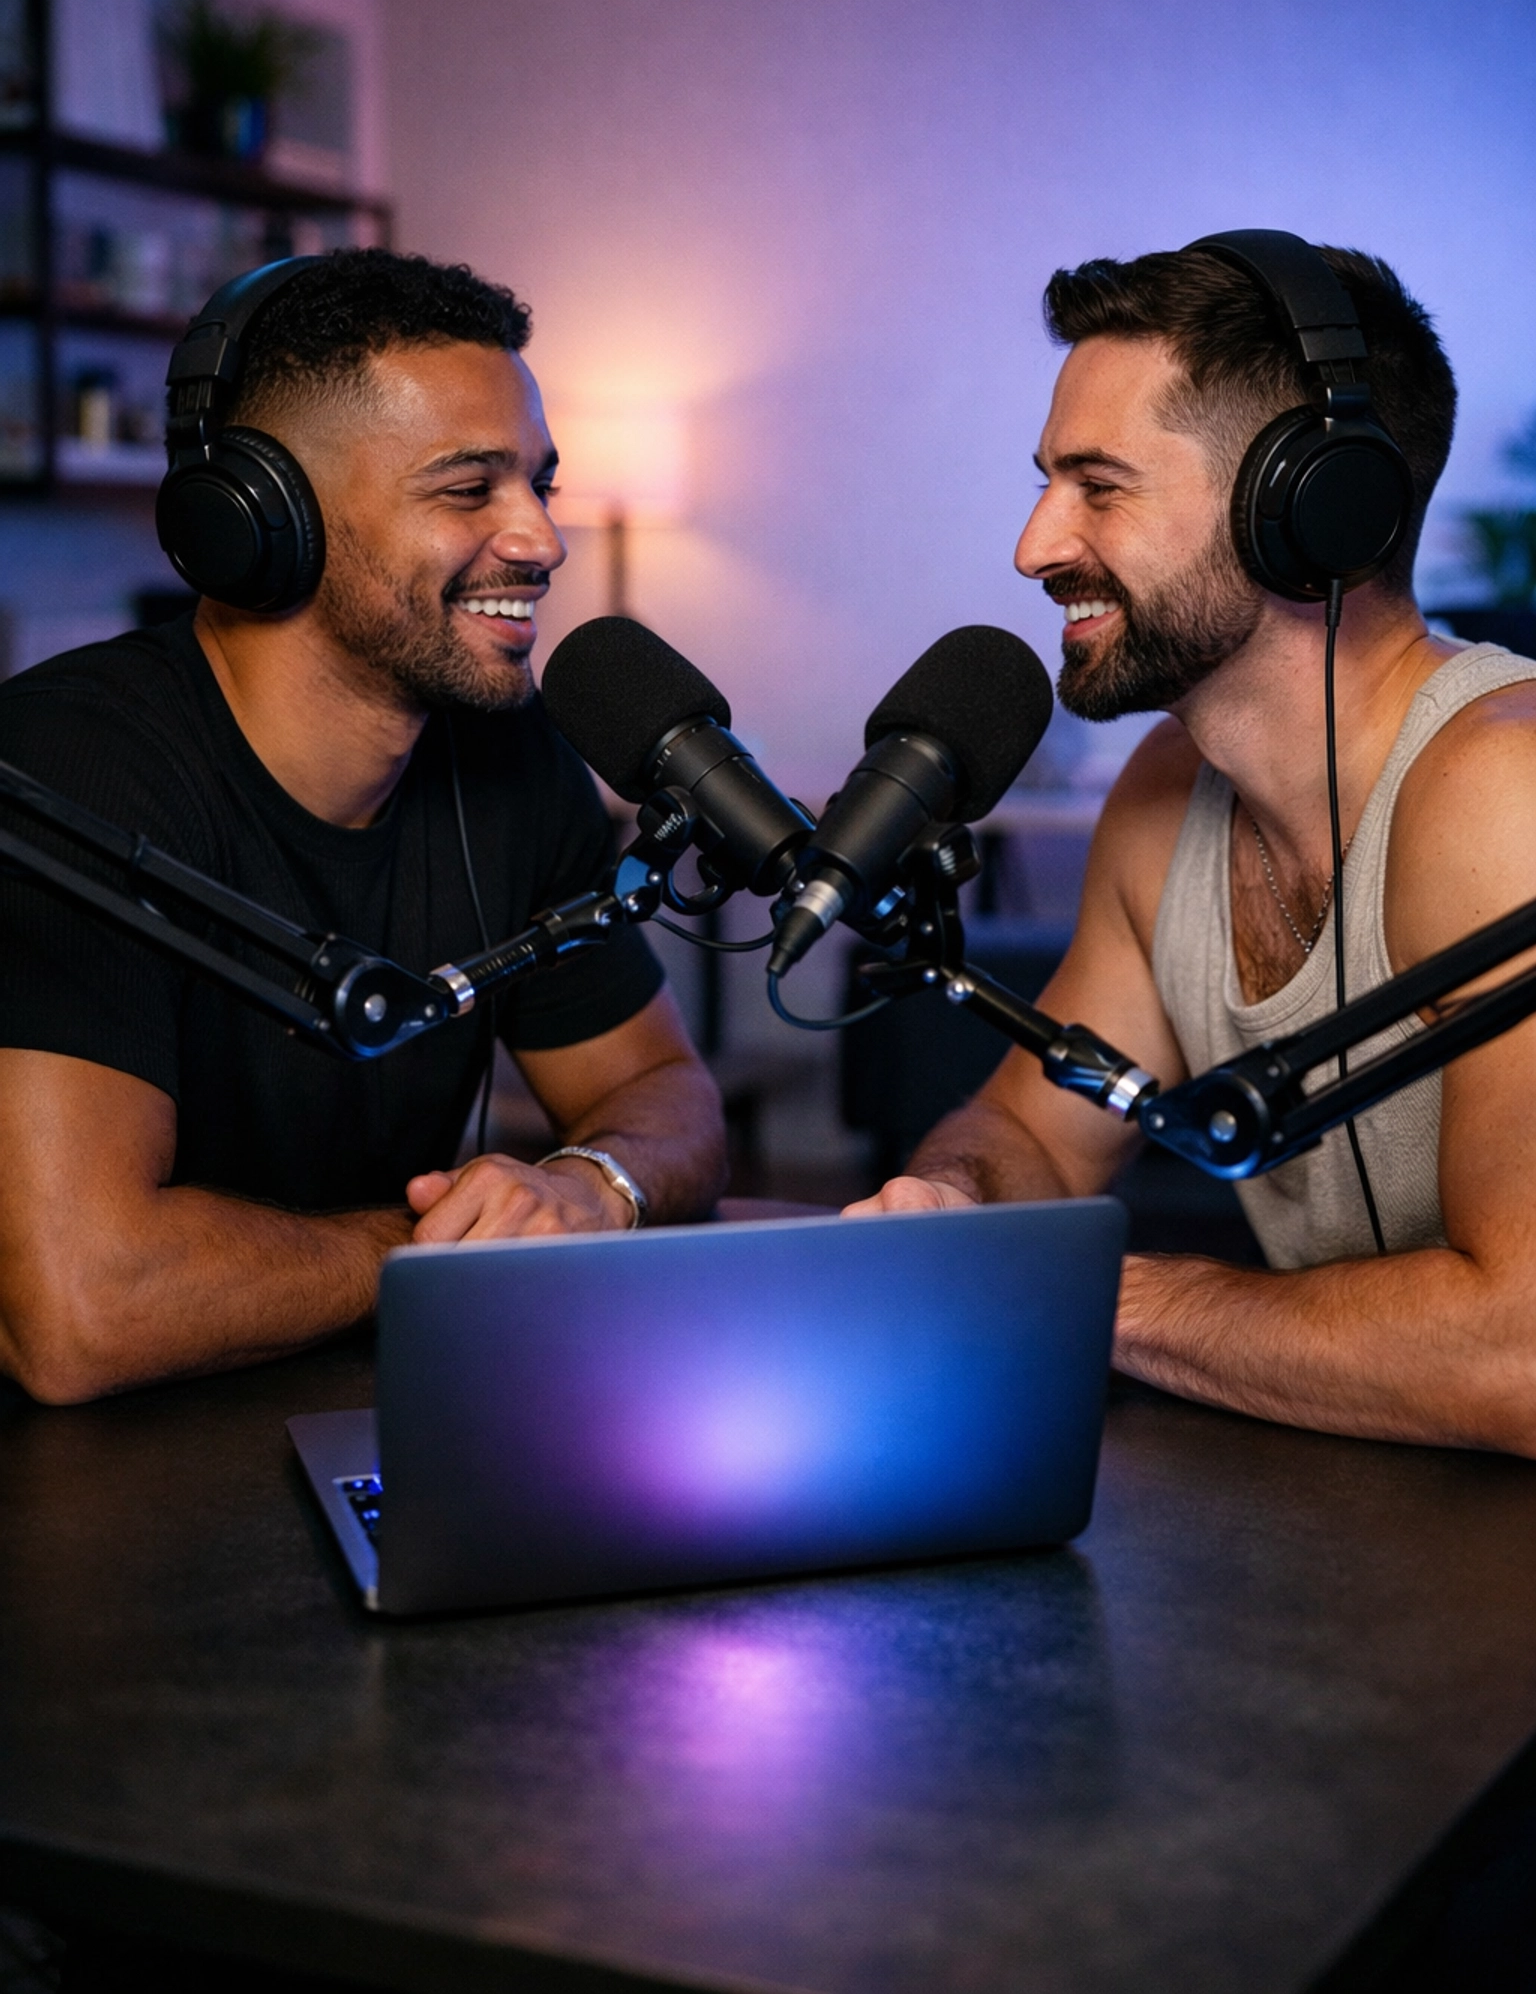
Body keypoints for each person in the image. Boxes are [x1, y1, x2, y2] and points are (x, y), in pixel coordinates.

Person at [0, 250, 726, 1405]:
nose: (542, 538)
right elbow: (85, 1307)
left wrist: (593, 1184)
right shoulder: (67, 770)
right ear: (261, 522)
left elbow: (666, 1095)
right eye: (467, 488)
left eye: (538, 481)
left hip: (388, 1419)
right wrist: (441, 1249)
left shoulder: (512, 756)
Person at [851, 239, 1536, 1457]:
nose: (1034, 546)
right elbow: (1030, 1138)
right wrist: (952, 1202)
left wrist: (1099, 1299)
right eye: (1045, 483)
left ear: (1312, 510)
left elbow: (1522, 1352)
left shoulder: (1504, 790)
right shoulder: (1170, 793)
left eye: (1098, 486)